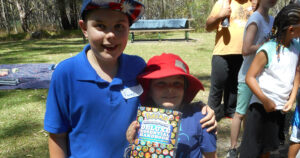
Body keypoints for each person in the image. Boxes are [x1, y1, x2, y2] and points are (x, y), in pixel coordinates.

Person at [43, 0, 217, 157]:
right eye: (100, 26)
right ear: (84, 28)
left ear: (129, 29)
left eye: (119, 26)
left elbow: (160, 101)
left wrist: (200, 109)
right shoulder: (66, 73)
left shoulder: (138, 68)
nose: (111, 35)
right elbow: (57, 135)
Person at [126, 53, 217, 158]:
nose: (170, 89)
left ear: (185, 89)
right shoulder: (140, 119)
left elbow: (212, 156)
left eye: (177, 83)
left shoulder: (201, 118)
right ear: (149, 90)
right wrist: (132, 142)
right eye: (161, 83)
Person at [240, 4, 300, 158]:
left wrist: (292, 97)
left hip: (278, 109)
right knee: (251, 152)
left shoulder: (296, 47)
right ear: (291, 30)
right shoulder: (268, 49)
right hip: (260, 108)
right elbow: (250, 77)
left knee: (267, 149)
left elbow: (297, 72)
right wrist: (265, 100)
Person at [226, 0, 277, 157]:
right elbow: (246, 49)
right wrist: (265, 44)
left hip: (263, 76)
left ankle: (249, 144)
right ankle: (233, 149)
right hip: (248, 75)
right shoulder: (255, 19)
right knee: (240, 113)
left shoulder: (272, 20)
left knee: (253, 113)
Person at [205, 0, 255, 121]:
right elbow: (208, 26)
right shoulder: (222, 3)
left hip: (243, 53)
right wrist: (220, 15)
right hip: (222, 52)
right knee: (218, 83)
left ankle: (230, 110)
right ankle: (213, 112)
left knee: (235, 85)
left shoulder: (253, 4)